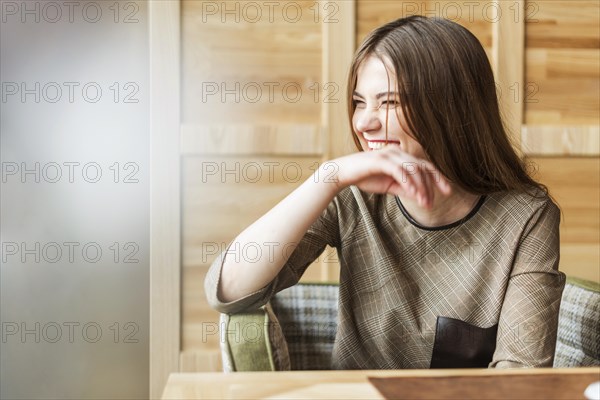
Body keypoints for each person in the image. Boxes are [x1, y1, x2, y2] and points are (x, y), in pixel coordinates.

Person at [205, 15, 565, 369]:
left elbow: (521, 372)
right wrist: (329, 176)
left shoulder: (526, 216)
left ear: (451, 108)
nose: (364, 122)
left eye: (389, 102)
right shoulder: (351, 195)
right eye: (359, 102)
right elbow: (228, 290)